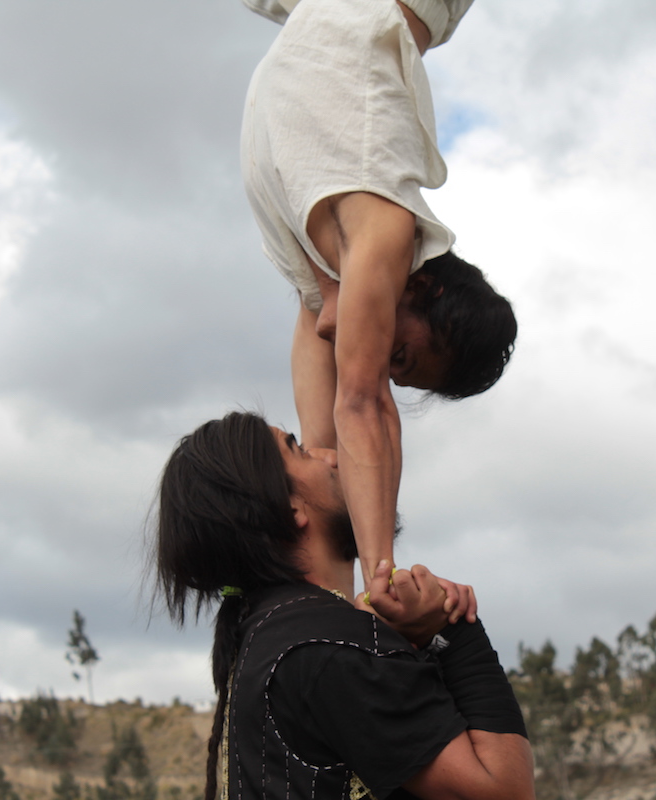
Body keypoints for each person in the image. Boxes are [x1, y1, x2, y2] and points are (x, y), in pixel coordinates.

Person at [240, 0, 518, 595]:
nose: (378, 360)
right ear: (424, 285)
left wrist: (346, 598)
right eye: (402, 356)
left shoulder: (323, 273)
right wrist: (381, 578)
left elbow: (328, 455)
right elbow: (364, 403)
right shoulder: (383, 229)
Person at [154, 411, 534, 800]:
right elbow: (504, 792)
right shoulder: (331, 645)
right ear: (290, 510)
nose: (334, 458)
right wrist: (451, 630)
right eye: (300, 451)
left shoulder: (268, 633)